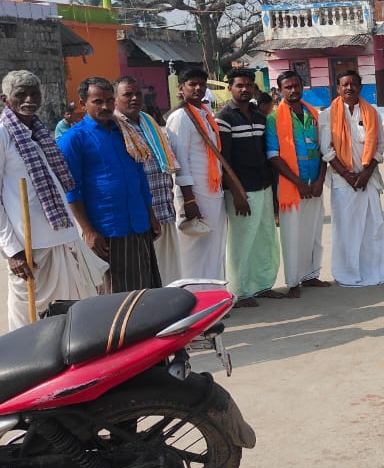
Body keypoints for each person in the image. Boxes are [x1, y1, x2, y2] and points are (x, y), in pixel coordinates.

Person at [0, 70, 103, 329]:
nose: (29, 100)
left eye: (34, 94)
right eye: (21, 94)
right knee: (29, 318)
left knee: (71, 311)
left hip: (62, 237)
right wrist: (12, 252)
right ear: (5, 99)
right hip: (28, 246)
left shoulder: (40, 131)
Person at [58, 77, 161, 292]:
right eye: (97, 101)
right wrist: (88, 230)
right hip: (106, 231)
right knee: (115, 296)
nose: (105, 106)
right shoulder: (73, 139)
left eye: (109, 100)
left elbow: (139, 175)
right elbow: (70, 189)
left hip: (139, 224)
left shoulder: (126, 132)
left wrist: (150, 214)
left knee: (145, 291)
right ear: (83, 103)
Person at [217, 68, 285, 307]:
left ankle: (262, 285)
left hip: (264, 185)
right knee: (241, 241)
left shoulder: (259, 116)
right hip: (241, 190)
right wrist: (236, 193)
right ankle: (239, 292)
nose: (244, 89)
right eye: (239, 85)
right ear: (230, 89)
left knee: (264, 237)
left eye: (248, 85)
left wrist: (273, 193)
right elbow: (224, 161)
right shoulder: (224, 118)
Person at [319, 70, 384, 287]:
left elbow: (380, 145)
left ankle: (374, 272)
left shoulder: (372, 112)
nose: (349, 88)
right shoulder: (327, 115)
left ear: (360, 87)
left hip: (368, 179)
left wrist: (366, 174)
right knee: (346, 229)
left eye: (353, 84)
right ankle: (347, 274)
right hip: (343, 181)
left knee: (373, 226)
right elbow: (326, 149)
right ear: (338, 88)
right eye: (345, 84)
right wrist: (347, 175)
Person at [266, 69, 330, 298]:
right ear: (280, 91)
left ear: (302, 86)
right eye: (288, 87)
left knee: (313, 232)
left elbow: (324, 150)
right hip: (292, 186)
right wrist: (299, 183)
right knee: (292, 236)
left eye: (296, 85)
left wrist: (320, 180)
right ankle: (293, 281)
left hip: (315, 184)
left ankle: (311, 275)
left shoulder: (314, 114)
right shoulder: (274, 118)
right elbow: (273, 155)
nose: (293, 90)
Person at [114, 76, 182, 285]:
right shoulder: (114, 126)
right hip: (141, 213)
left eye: (138, 94)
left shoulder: (148, 121)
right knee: (147, 273)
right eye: (127, 94)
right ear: (115, 98)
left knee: (170, 269)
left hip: (163, 205)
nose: (134, 98)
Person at [167, 68, 228, 282]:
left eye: (202, 84)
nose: (198, 88)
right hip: (195, 193)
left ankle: (213, 291)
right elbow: (180, 162)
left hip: (213, 189)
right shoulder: (180, 118)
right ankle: (193, 294)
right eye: (192, 84)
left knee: (213, 246)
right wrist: (189, 201)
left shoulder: (204, 113)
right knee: (194, 248)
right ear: (181, 88)